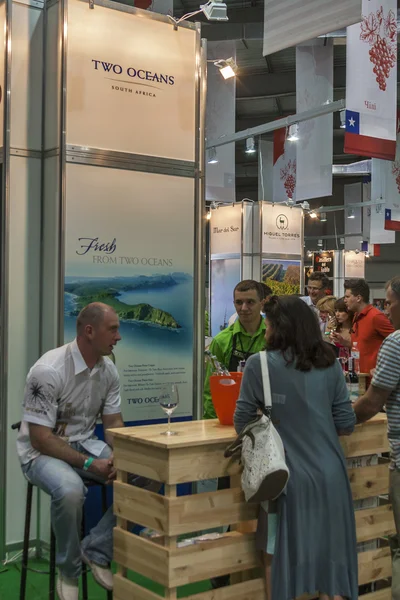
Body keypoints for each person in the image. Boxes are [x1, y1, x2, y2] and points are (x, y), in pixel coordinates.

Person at [234, 295, 358, 600]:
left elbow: (242, 422)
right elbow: (346, 421)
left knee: (275, 555)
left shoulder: (259, 364)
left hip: (284, 477)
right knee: (331, 556)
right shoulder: (329, 362)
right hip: (332, 475)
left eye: (268, 320)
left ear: (278, 326)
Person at [16, 303, 124, 600]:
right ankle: (69, 570)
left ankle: (97, 549)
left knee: (147, 474)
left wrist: (122, 454)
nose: (119, 337)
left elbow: (113, 423)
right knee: (71, 490)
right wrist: (92, 463)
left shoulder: (108, 370)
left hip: (84, 442)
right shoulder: (48, 370)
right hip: (41, 454)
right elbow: (40, 438)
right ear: (89, 331)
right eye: (113, 329)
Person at [353, 275, 400, 599]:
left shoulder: (396, 343)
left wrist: (334, 419)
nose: (387, 307)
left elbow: (371, 403)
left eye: (390, 300)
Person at [203, 280, 267, 420]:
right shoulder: (221, 341)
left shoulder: (273, 337)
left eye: (250, 302)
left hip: (267, 422)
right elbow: (210, 390)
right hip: (229, 419)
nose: (244, 308)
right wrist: (214, 423)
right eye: (239, 302)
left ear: (262, 304)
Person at [337, 278, 394, 374]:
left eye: (347, 296)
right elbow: (361, 345)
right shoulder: (356, 316)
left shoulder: (375, 317)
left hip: (374, 380)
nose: (345, 300)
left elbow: (396, 341)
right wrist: (344, 342)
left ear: (358, 298)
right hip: (360, 378)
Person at [331, 297, 355, 365]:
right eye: (336, 311)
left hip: (351, 366)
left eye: (341, 311)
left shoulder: (355, 329)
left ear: (349, 312)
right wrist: (329, 328)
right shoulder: (335, 329)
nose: (337, 314)